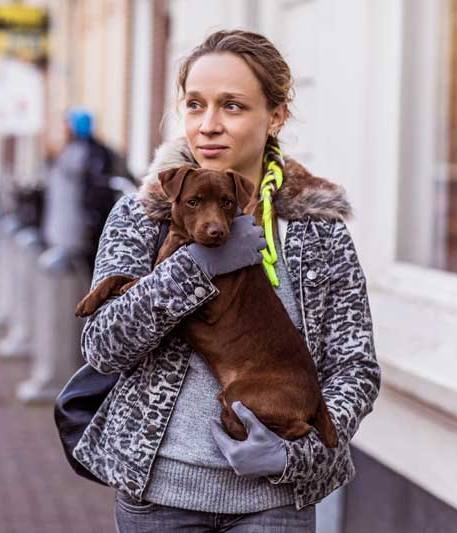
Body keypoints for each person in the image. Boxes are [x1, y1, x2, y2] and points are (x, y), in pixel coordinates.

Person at [71, 29, 381, 532]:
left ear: (275, 117)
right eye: (195, 105)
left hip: (274, 503)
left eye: (232, 106)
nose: (209, 124)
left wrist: (293, 455)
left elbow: (354, 367)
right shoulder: (142, 215)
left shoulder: (316, 229)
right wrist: (195, 266)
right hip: (160, 496)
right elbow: (103, 347)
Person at [41, 107, 132, 269]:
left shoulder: (85, 153)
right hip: (73, 229)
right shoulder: (76, 151)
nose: (63, 129)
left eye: (67, 124)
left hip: (81, 229)